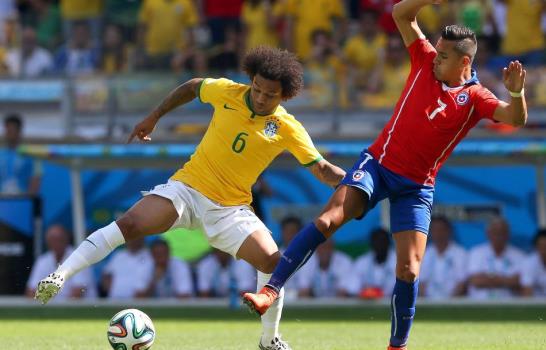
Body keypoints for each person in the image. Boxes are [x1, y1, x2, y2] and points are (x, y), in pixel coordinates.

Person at [242, 1, 527, 349]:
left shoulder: (477, 98)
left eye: (443, 57)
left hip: (417, 187)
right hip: (377, 165)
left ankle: (397, 345)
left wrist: (516, 91)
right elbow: (401, 14)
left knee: (408, 268)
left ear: (464, 62)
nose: (435, 58)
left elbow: (515, 118)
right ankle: (270, 291)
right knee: (329, 220)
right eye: (436, 52)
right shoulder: (424, 60)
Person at [35, 46, 345, 350]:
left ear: (285, 95)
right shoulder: (227, 92)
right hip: (188, 189)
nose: (261, 97)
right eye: (258, 88)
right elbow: (193, 86)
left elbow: (320, 167)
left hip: (230, 209)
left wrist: (352, 181)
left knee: (272, 261)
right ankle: (60, 275)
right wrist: (154, 116)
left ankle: (268, 340)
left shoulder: (288, 127)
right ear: (251, 80)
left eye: (270, 94)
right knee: (129, 223)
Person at [26, 225, 96, 300]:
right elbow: (31, 291)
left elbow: (78, 293)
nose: (56, 243)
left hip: (83, 309)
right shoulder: (43, 260)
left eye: (59, 239)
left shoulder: (80, 258)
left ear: (66, 240)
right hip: (53, 308)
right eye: (52, 240)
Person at [467, 216, 524, 299]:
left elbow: (518, 282)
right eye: (495, 232)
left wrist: (488, 278)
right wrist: (506, 280)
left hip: (509, 306)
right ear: (488, 233)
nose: (499, 236)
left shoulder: (519, 255)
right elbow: (475, 281)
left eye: (502, 233)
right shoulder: (476, 253)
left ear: (508, 234)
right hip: (480, 305)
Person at [419, 215, 467, 298]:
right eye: (434, 230)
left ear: (449, 231)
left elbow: (462, 283)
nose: (438, 233)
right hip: (428, 302)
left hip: (452, 302)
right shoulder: (424, 253)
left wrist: (449, 303)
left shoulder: (460, 253)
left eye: (441, 230)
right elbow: (421, 283)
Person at [1, 113, 42, 195]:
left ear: (19, 131)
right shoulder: (1, 154)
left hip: (22, 201)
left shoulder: (31, 155)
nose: (8, 134)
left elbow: (35, 181)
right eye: (7, 130)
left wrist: (28, 201)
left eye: (12, 130)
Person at [520, 229, 546, 297]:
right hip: (538, 305)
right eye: (541, 246)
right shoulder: (529, 263)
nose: (544, 250)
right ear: (536, 247)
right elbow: (527, 292)